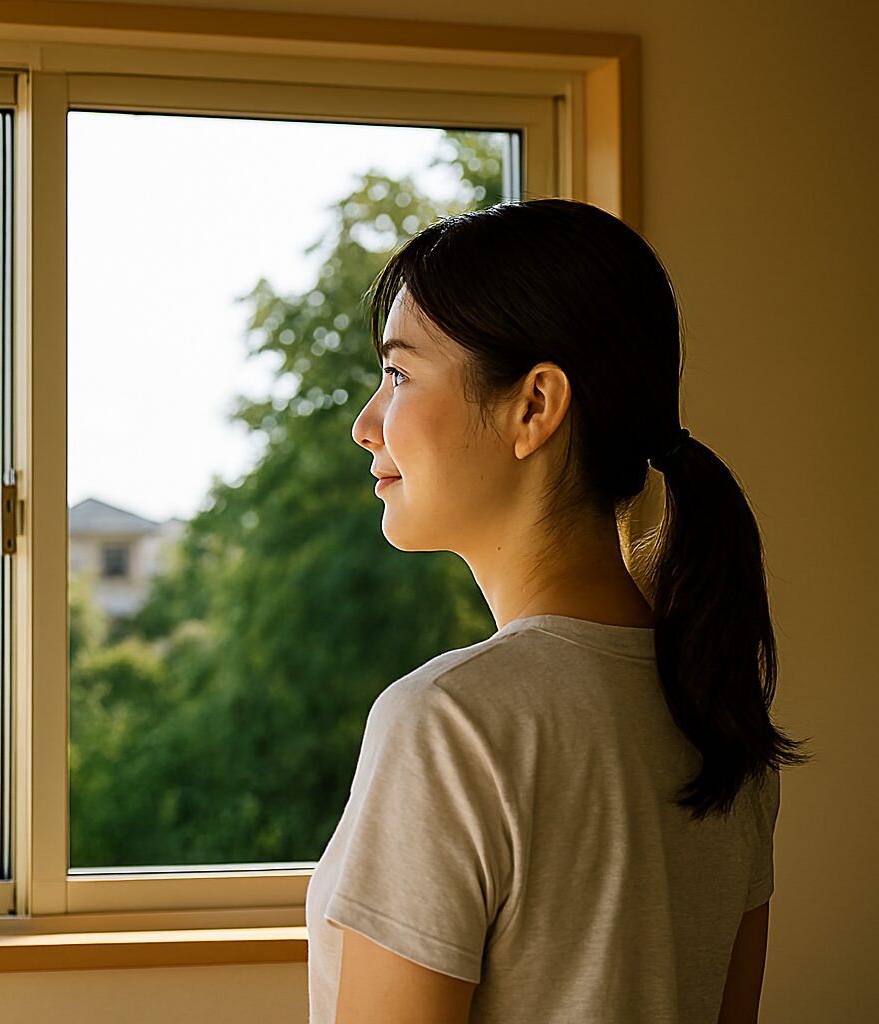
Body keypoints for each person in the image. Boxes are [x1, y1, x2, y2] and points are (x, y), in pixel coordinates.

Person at [305, 199, 809, 1023]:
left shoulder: (448, 724)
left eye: (398, 374)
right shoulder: (720, 715)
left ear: (534, 406)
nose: (367, 425)